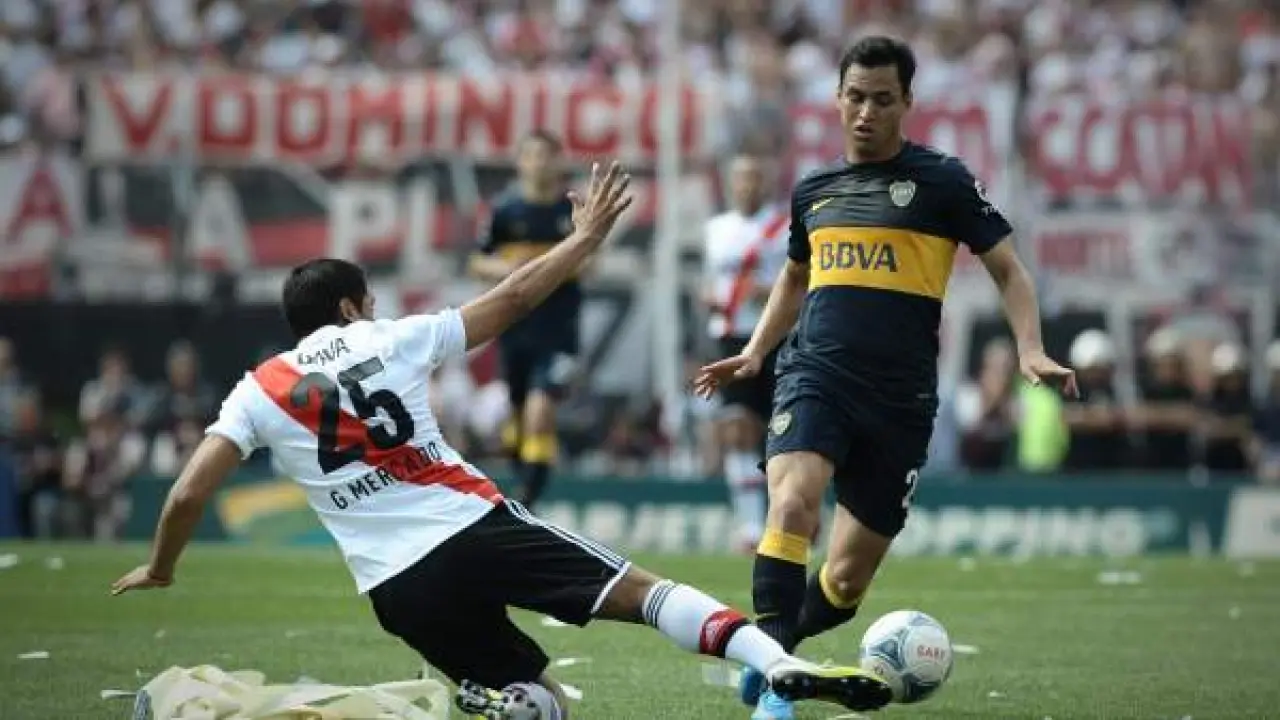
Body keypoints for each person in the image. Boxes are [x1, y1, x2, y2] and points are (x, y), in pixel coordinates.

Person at [111, 162, 892, 720]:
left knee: (544, 701)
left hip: (394, 588)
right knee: (647, 596)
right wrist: (584, 240)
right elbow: (512, 297)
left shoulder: (257, 389)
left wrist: (162, 565)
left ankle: (510, 704)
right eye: (367, 300)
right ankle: (775, 662)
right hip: (472, 528)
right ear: (350, 307)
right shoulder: (390, 337)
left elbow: (188, 491)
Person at [694, 36, 1077, 720]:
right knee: (791, 504)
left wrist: (1030, 349)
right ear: (837, 100)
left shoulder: (942, 182)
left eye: (882, 99)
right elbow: (794, 277)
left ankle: (778, 646)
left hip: (900, 399)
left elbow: (1009, 270)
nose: (866, 112)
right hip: (815, 374)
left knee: (844, 581)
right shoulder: (814, 192)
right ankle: (778, 686)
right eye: (855, 97)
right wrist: (755, 351)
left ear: (906, 103)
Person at [469, 131, 580, 509]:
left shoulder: (571, 211)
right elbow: (477, 261)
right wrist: (507, 268)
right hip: (515, 329)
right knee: (518, 416)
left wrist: (547, 267)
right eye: (532, 155)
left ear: (559, 161)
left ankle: (528, 500)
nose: (540, 163)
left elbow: (591, 260)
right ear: (520, 162)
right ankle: (524, 483)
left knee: (540, 409)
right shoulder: (505, 211)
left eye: (547, 155)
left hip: (560, 331)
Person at [701, 150, 790, 551]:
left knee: (781, 433)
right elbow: (712, 281)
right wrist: (710, 298)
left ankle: (791, 514)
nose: (747, 185)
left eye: (754, 177)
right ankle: (751, 527)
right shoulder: (716, 229)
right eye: (740, 177)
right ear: (729, 183)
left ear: (766, 182)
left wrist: (769, 293)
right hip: (730, 338)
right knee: (737, 426)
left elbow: (801, 281)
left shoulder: (783, 227)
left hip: (775, 337)